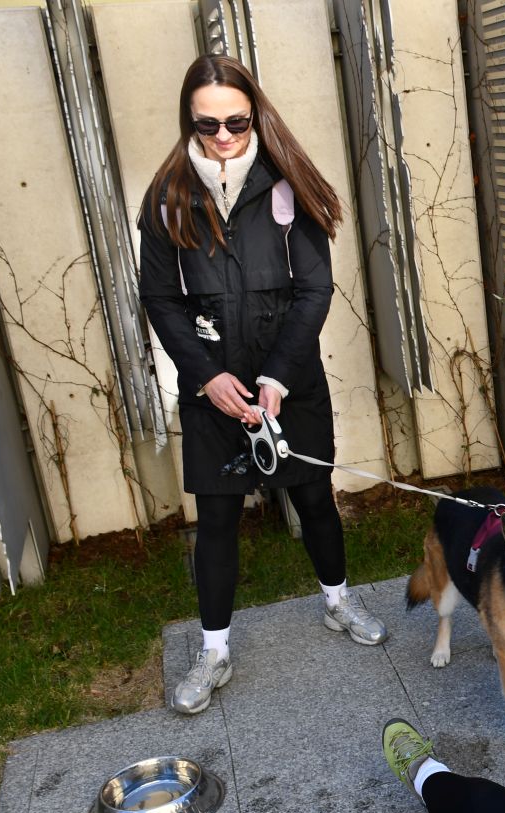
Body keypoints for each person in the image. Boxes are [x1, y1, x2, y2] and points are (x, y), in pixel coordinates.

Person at [139, 55, 385, 715]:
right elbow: (160, 299)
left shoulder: (286, 187)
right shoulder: (166, 198)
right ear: (189, 120)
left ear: (256, 114)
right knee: (216, 520)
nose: (223, 136)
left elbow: (314, 289)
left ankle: (338, 601)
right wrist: (207, 377)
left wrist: (277, 376)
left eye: (237, 122)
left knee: (315, 498)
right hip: (213, 389)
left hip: (289, 377)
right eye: (207, 124)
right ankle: (214, 651)